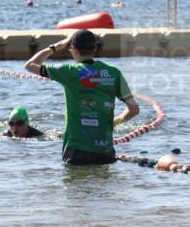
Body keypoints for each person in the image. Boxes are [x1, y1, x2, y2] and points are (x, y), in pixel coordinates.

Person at [24, 29, 139, 165]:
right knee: (102, 185)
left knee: (77, 184)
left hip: (76, 148)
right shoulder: (114, 72)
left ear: (74, 49)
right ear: (95, 48)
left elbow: (30, 65)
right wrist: (113, 122)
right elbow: (134, 110)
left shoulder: (69, 71)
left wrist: (56, 46)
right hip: (104, 150)